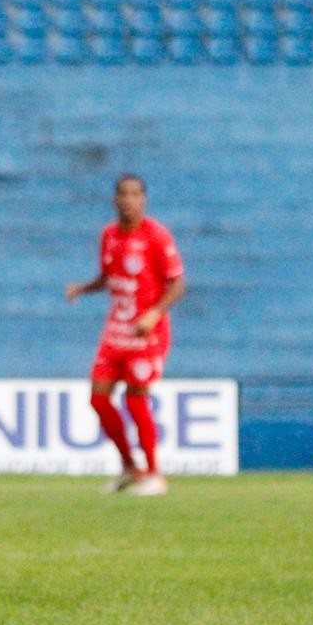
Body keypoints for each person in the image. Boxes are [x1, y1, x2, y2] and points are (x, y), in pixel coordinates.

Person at [66, 174, 186, 496]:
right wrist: (84, 288)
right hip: (116, 330)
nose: (129, 199)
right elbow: (109, 276)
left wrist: (154, 313)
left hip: (146, 333)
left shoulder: (157, 237)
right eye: (123, 194)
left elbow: (178, 284)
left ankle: (154, 475)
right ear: (115, 200)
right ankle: (129, 468)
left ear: (143, 200)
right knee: (99, 398)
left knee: (135, 400)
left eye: (136, 194)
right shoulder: (108, 235)